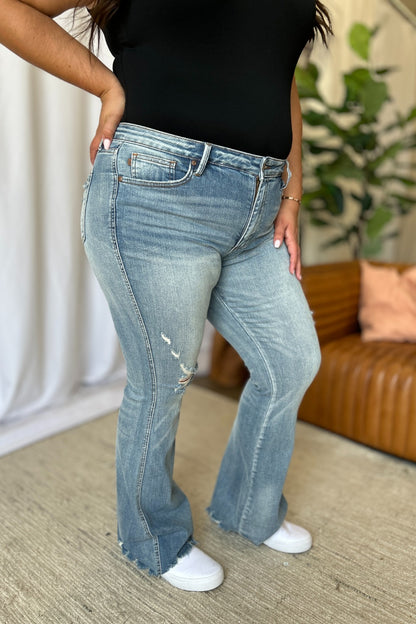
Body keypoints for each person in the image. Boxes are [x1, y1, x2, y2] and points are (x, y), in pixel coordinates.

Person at [1, 0, 332, 592]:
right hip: (159, 194)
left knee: (291, 361)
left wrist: (291, 193)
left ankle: (247, 510)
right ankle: (152, 538)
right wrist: (107, 86)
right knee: (163, 380)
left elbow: (279, 79)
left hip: (257, 204)